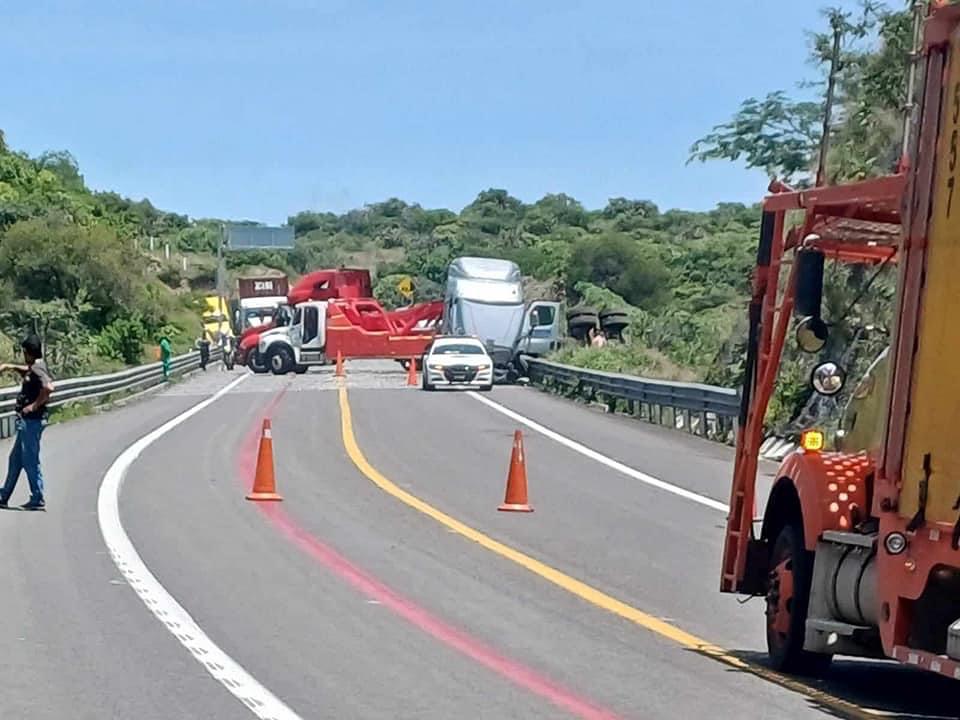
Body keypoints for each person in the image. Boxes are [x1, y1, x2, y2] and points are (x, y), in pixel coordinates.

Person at [0, 334, 55, 510]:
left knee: (30, 460)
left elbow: (48, 387)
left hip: (32, 421)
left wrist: (33, 405)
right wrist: (11, 367)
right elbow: (29, 372)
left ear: (28, 352)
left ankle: (37, 497)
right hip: (27, 422)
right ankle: (3, 496)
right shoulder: (37, 366)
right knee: (15, 460)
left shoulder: (38, 370)